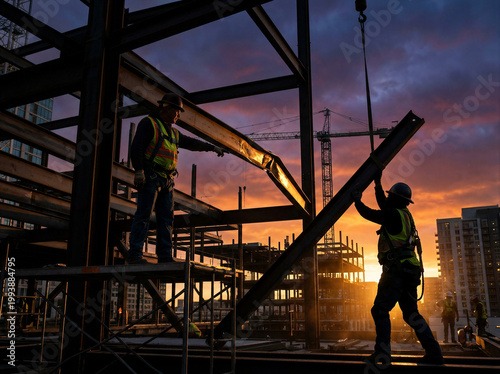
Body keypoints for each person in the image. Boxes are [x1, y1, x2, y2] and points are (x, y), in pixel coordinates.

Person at [352, 172, 443, 366]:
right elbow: (384, 205)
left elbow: (372, 213)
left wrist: (356, 201)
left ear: (393, 198)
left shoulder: (392, 214)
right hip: (410, 271)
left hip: (396, 271)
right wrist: (377, 183)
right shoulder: (404, 214)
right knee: (411, 314)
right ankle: (434, 352)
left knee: (380, 310)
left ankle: (382, 354)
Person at [128, 93, 224, 264]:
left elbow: (192, 143)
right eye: (177, 111)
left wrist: (212, 147)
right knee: (143, 215)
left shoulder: (174, 133)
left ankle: (164, 256)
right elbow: (136, 147)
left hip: (167, 181)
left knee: (166, 219)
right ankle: (135, 254)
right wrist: (139, 171)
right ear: (166, 108)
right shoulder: (149, 124)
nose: (178, 115)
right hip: (151, 177)